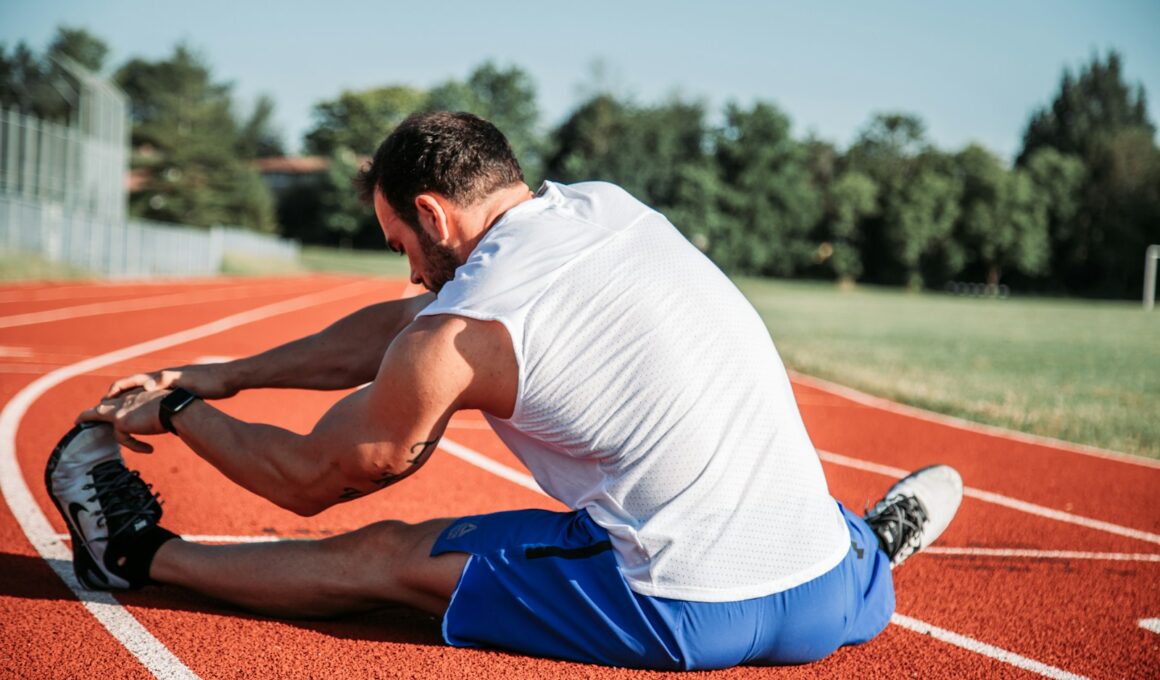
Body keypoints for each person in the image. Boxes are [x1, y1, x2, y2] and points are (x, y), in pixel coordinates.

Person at [47, 111, 963, 670]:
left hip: (681, 607)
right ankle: (870, 548)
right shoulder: (604, 207)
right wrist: (228, 374)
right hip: (826, 600)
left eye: (400, 244)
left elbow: (311, 476)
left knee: (383, 557)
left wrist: (178, 409)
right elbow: (409, 327)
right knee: (757, 470)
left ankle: (134, 557)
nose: (406, 271)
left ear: (435, 216)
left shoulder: (457, 332)